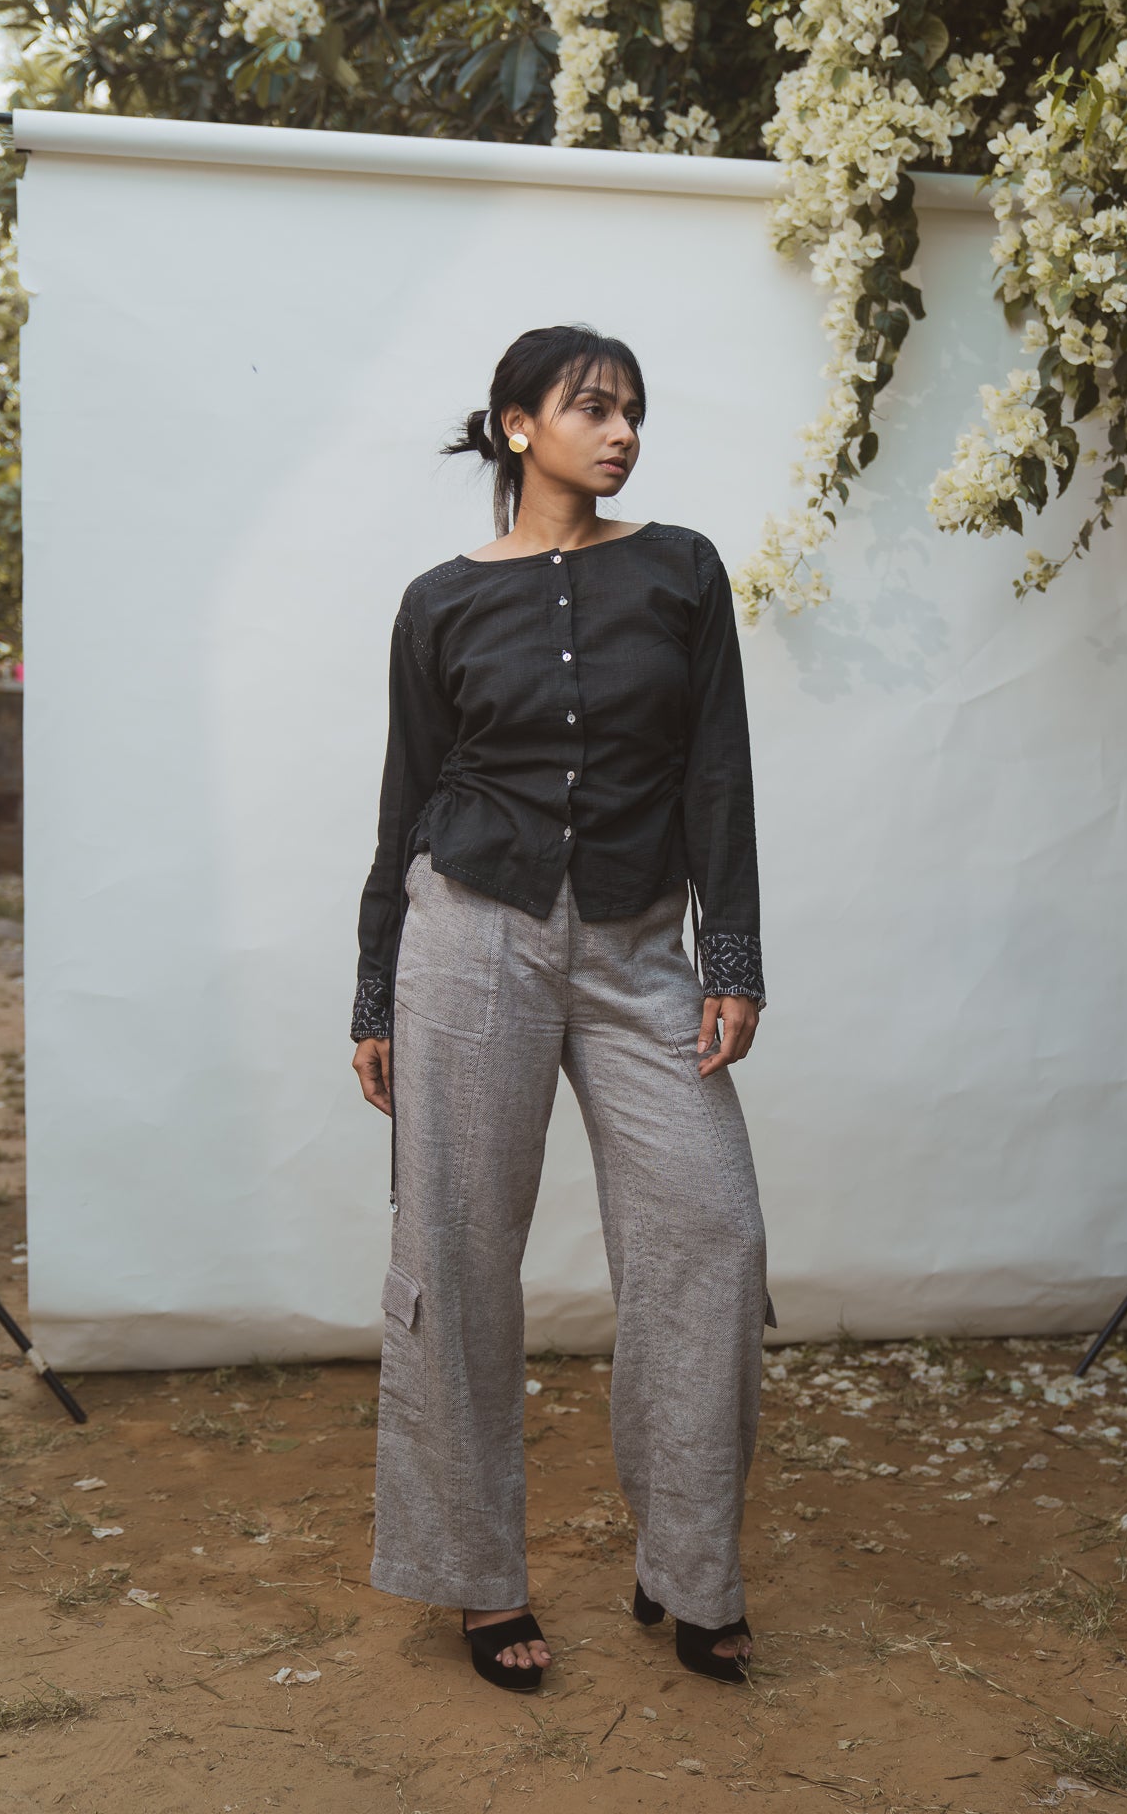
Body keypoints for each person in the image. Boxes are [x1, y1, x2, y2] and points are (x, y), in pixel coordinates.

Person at [349, 323, 775, 1693]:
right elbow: (408, 797)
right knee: (459, 1251)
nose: (622, 431)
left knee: (710, 1231)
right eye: (592, 407)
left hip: (642, 942)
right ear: (518, 426)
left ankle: (689, 1569)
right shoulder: (438, 602)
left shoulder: (681, 570)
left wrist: (729, 955)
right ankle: (479, 1577)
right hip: (472, 933)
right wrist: (372, 989)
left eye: (633, 409)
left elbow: (718, 770)